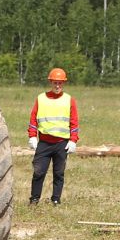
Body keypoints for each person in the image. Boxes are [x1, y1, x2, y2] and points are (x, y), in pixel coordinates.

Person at [26, 66, 79, 206]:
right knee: (38, 172)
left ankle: (56, 199)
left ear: (63, 83)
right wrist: (32, 136)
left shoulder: (69, 100)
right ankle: (34, 199)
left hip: (62, 143)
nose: (57, 85)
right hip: (44, 143)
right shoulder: (41, 98)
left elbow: (74, 122)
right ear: (51, 82)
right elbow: (33, 119)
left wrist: (73, 141)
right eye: (55, 82)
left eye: (60, 83)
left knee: (59, 173)